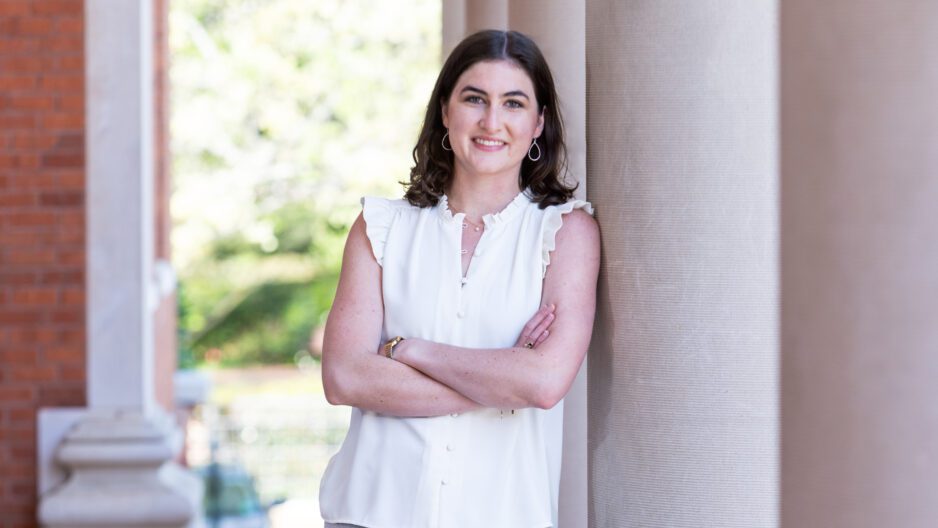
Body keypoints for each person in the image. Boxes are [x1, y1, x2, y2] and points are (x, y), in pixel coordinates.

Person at [318, 29, 600, 528]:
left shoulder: (564, 232)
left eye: (513, 103)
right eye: (475, 99)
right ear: (446, 111)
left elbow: (544, 382)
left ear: (537, 124)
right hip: (369, 515)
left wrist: (407, 350)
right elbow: (343, 377)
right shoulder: (380, 227)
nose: (492, 122)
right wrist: (503, 378)